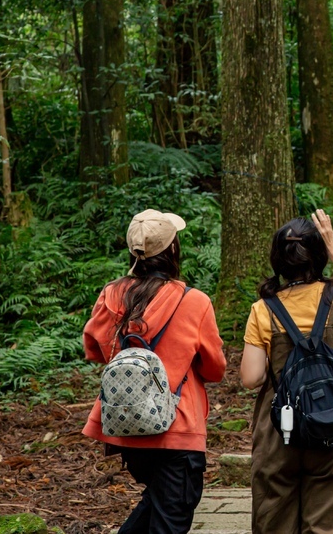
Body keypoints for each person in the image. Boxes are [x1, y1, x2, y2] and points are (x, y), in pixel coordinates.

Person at [82, 209, 226, 534]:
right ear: (173, 250)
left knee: (158, 505)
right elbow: (215, 369)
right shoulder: (194, 301)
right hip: (178, 429)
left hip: (127, 427)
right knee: (170, 520)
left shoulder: (113, 293)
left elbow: (95, 349)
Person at [240, 209, 333, 534]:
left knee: (274, 518)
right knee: (328, 521)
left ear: (278, 261)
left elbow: (251, 378)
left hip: (279, 427)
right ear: (319, 256)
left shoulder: (263, 310)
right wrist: (332, 245)